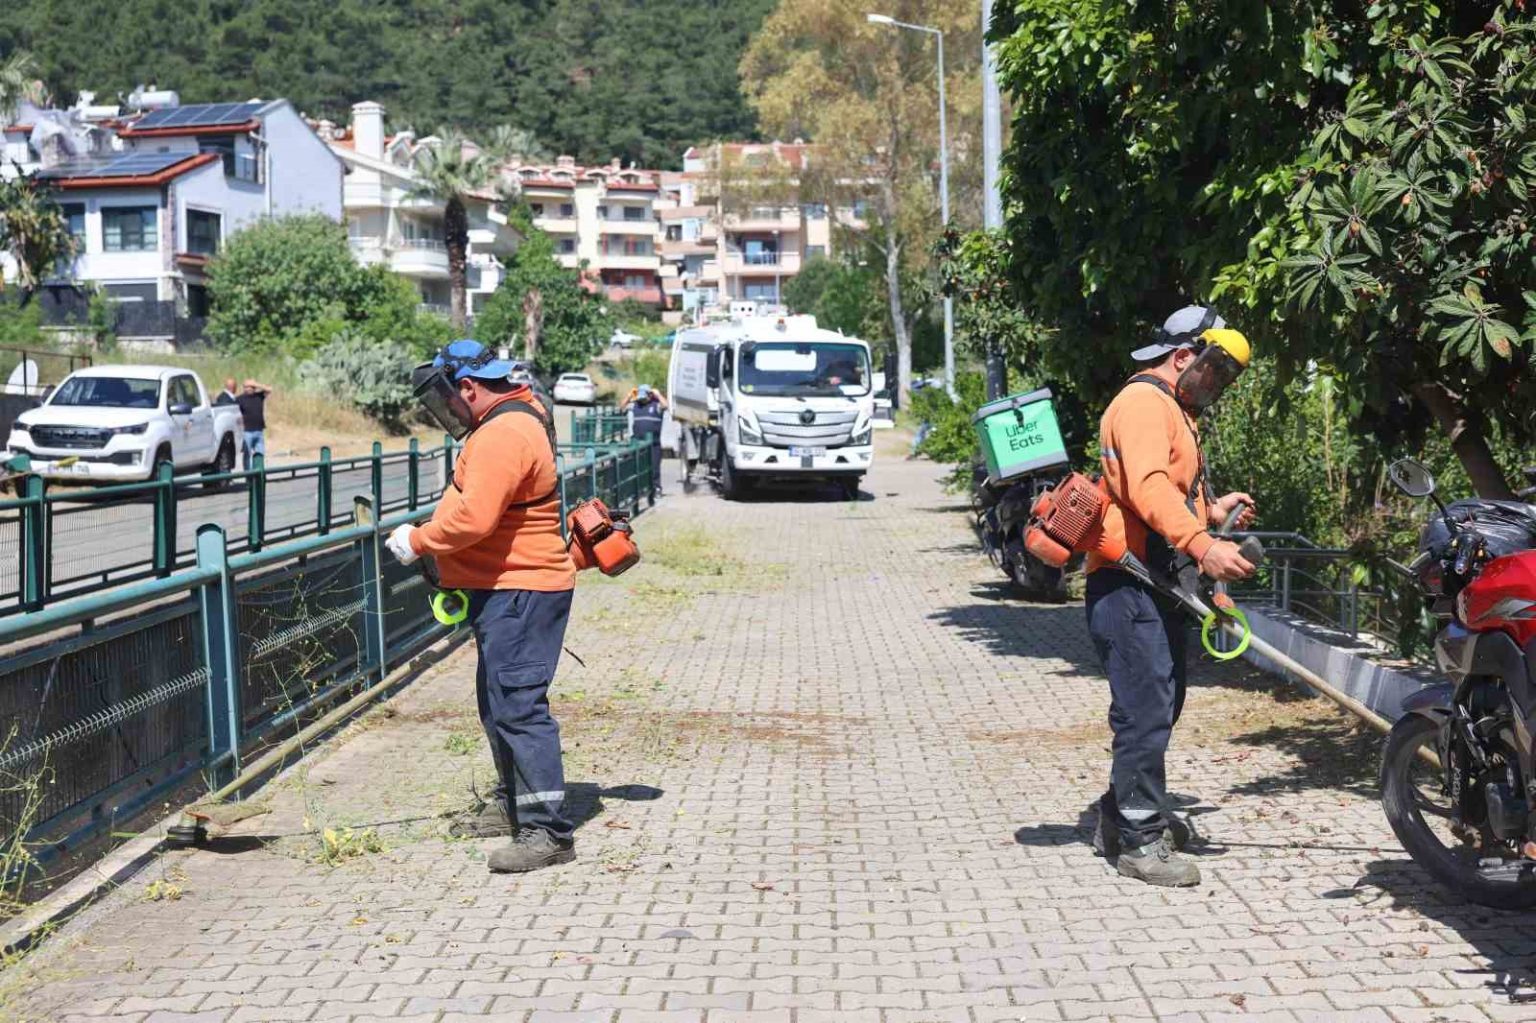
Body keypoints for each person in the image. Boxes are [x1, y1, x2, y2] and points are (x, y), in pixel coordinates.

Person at [384, 340, 578, 874]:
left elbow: (474, 519)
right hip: (508, 592)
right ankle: (513, 806)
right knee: (498, 706)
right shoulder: (514, 419)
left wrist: (417, 540)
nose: (446, 410)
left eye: (447, 398)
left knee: (519, 708)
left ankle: (548, 833)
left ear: (468, 387)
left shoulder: (503, 433)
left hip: (522, 591)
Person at [1087, 305, 1257, 888]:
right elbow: (1147, 487)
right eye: (1214, 370)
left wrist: (1209, 510)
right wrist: (1202, 544)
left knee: (1160, 705)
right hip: (1126, 584)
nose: (1216, 385)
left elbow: (1167, 494)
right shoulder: (1142, 403)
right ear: (1183, 355)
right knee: (1145, 712)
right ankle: (1139, 842)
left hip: (1154, 585)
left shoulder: (1171, 409)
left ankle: (1122, 816)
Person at [620, 384, 668, 498]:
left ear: (650, 395)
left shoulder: (656, 405)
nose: (642, 399)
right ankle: (640, 490)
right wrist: (629, 396)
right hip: (638, 443)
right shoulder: (635, 405)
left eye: (644, 397)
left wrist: (658, 394)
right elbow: (621, 407)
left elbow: (666, 405)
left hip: (654, 443)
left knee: (654, 467)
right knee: (638, 468)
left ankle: (656, 488)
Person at [234, 379, 272, 470]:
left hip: (259, 430)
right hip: (247, 432)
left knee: (260, 454)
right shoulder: (239, 399)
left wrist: (256, 384)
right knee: (247, 456)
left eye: (251, 387)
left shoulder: (259, 396)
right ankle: (249, 476)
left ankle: (259, 474)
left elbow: (269, 389)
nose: (249, 389)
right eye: (247, 387)